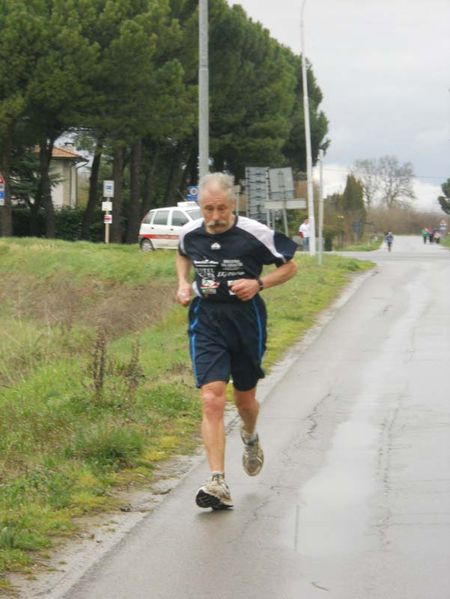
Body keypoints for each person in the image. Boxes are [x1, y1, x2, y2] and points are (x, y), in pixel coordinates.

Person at [176, 172, 298, 510]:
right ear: (200, 206)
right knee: (212, 399)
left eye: (221, 209)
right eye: (208, 209)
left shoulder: (255, 233)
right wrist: (184, 284)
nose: (214, 217)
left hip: (246, 322)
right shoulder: (190, 232)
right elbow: (183, 253)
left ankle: (250, 436)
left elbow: (290, 267)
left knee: (244, 401)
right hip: (207, 320)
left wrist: (260, 283)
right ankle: (217, 481)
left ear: (233, 205)